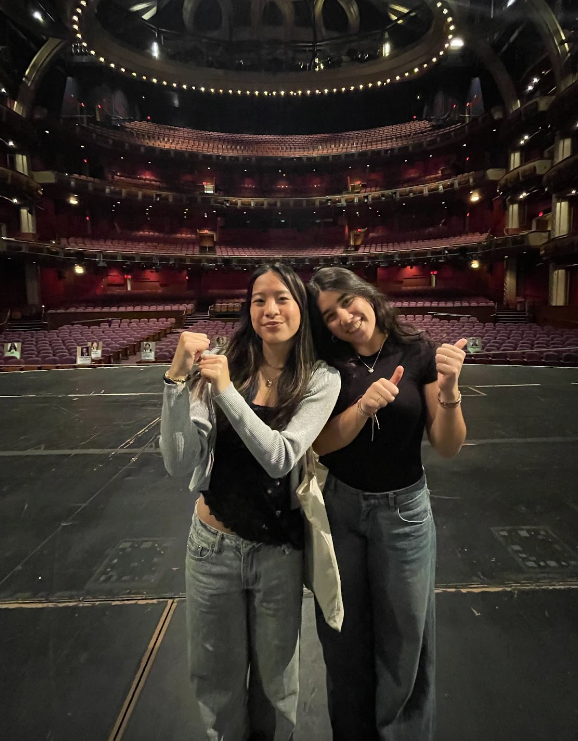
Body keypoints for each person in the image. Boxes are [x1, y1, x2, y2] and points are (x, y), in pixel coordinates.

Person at [159, 263, 341, 741]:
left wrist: (224, 393)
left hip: (278, 553)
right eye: (259, 299)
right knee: (214, 682)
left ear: (301, 306)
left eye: (282, 298)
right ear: (248, 308)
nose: (270, 309)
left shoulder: (321, 379)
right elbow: (180, 463)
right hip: (211, 549)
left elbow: (279, 458)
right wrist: (176, 382)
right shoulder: (225, 363)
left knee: (276, 687)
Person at [307, 267, 467, 741]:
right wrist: (362, 408)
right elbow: (320, 445)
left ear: (367, 296)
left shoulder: (417, 351)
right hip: (341, 510)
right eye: (330, 315)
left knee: (405, 641)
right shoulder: (325, 363)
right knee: (342, 638)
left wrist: (451, 392)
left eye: (347, 302)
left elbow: (447, 444)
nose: (344, 318)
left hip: (404, 513)